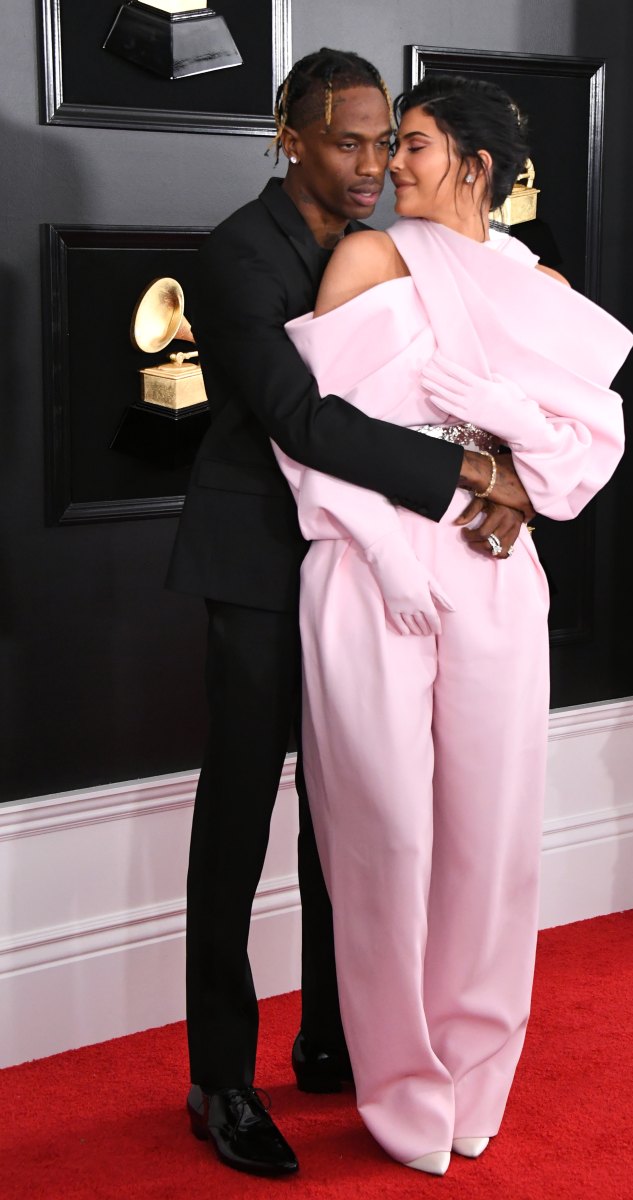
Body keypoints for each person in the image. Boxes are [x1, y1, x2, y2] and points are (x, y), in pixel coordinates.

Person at [166, 49, 534, 1179]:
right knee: (239, 824)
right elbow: (301, 417)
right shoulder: (238, 254)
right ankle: (220, 1079)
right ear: (290, 138)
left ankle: (334, 1036)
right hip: (259, 562)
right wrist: (469, 475)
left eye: (387, 141)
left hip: (374, 573)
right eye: (346, 140)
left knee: (364, 813)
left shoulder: (406, 245)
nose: (372, 163)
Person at [274, 74, 633, 1175]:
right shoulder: (367, 261)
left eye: (415, 147)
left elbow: (580, 460)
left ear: (474, 168)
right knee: (383, 837)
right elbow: (306, 439)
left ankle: (477, 1081)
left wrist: (503, 417)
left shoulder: (540, 285)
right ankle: (399, 1092)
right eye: (388, 146)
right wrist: (382, 548)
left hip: (492, 575)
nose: (389, 168)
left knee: (490, 840)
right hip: (368, 570)